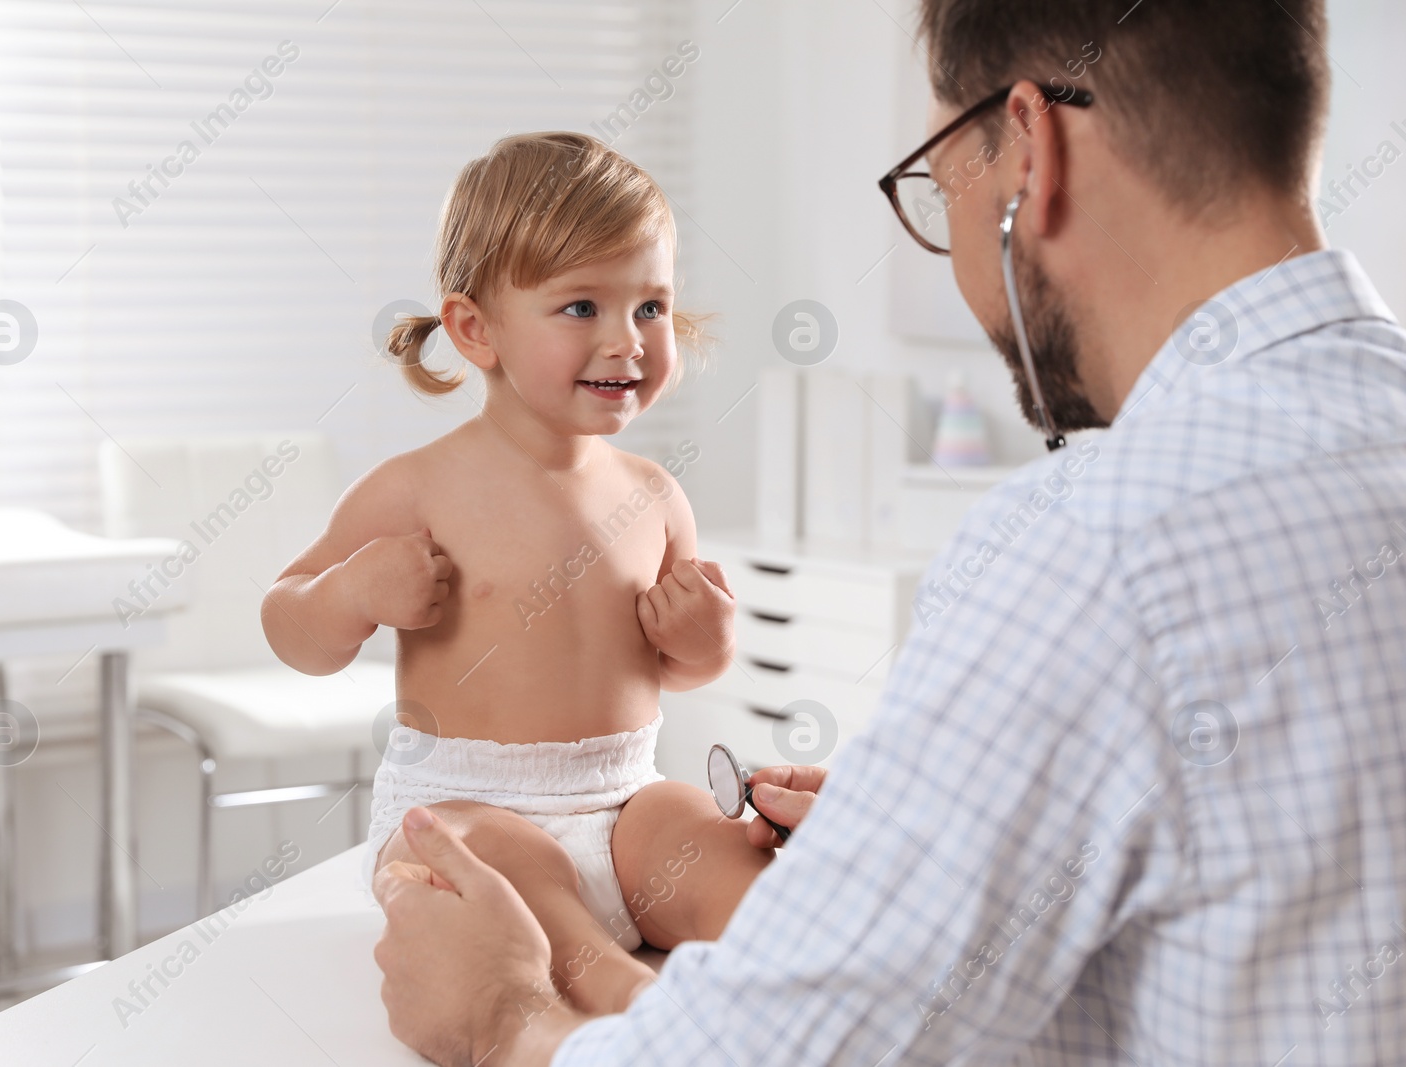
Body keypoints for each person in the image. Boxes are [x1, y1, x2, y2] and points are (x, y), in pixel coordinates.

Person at [371, 0, 1406, 1064]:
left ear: (1028, 151)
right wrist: (932, 844)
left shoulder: (1093, 543)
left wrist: (507, 1013)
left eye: (933, 188)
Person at [262, 132, 776, 1018]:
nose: (629, 340)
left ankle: (790, 957)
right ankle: (628, 998)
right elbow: (287, 621)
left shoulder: (653, 495)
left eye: (651, 306)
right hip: (461, 806)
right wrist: (349, 594)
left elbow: (680, 672)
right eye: (582, 307)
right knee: (509, 863)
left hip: (625, 803)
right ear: (475, 329)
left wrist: (704, 641)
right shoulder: (415, 488)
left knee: (720, 846)